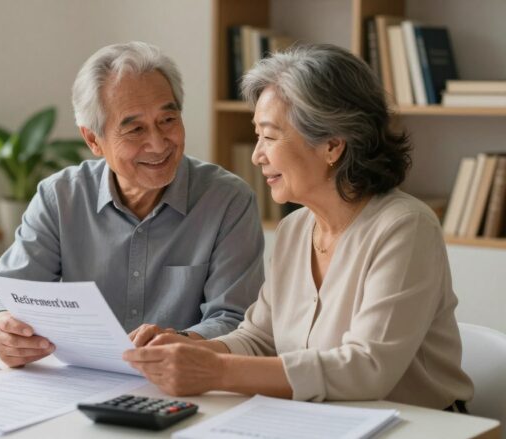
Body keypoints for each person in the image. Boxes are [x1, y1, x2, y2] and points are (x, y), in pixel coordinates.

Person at [123, 44, 474, 411]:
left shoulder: (405, 227)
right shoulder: (295, 229)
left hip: (419, 427)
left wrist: (216, 370)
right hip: (321, 421)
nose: (258, 155)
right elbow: (259, 338)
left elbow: (368, 368)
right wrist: (187, 348)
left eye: (269, 136)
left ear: (332, 145)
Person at [0, 41, 265, 368]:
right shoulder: (61, 198)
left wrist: (181, 342)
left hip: (182, 388)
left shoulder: (228, 201)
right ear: (93, 140)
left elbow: (238, 321)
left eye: (168, 120)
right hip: (79, 386)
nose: (157, 143)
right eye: (135, 129)